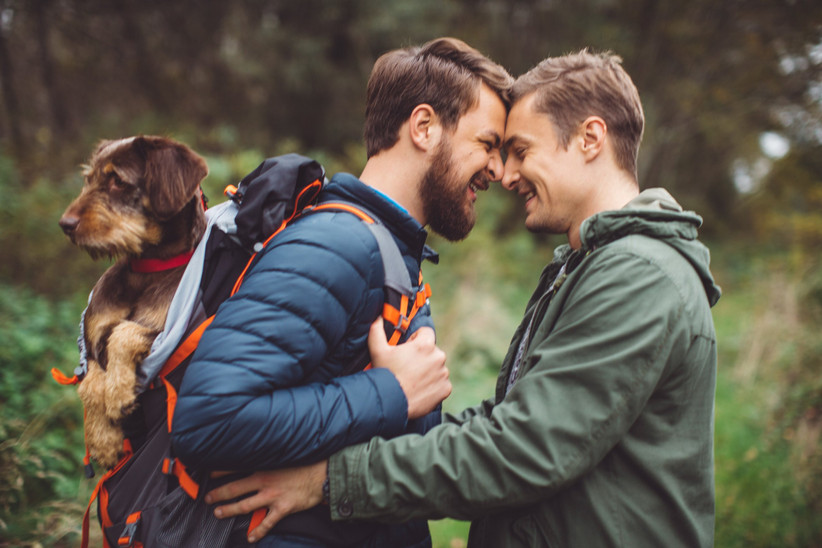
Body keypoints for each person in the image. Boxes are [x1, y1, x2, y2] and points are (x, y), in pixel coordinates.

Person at [205, 50, 722, 547]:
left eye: (520, 150)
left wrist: (331, 479)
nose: (506, 173)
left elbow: (524, 448)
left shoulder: (637, 274)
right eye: (498, 148)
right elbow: (513, 428)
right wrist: (389, 397)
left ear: (590, 139)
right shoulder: (585, 266)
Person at [170, 37, 512, 547]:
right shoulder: (336, 245)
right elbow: (208, 420)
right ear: (424, 127)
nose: (499, 171)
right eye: (488, 144)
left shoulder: (384, 249)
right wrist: (391, 393)